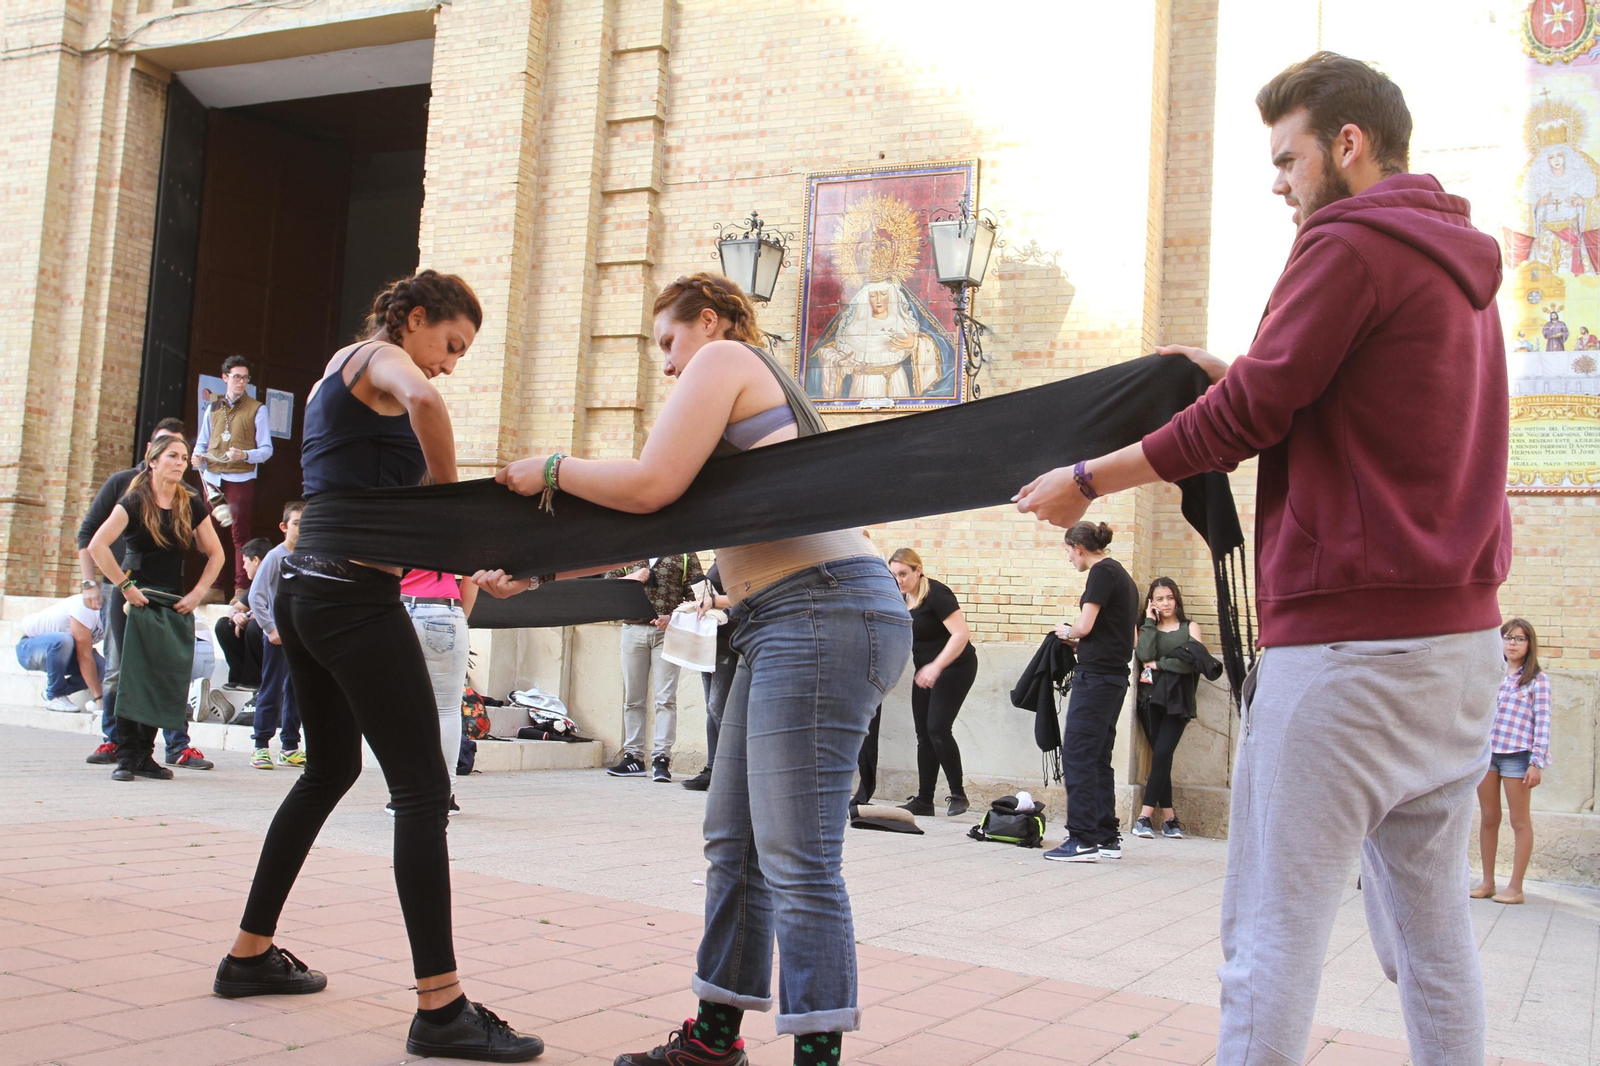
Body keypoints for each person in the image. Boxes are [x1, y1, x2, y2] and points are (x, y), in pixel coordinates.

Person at [1014, 53, 1510, 1064]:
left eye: (1287, 158)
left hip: (1347, 656)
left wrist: (1090, 478)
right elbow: (1359, 398)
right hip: (1458, 649)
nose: (1276, 181)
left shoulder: (1347, 241)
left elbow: (1242, 420)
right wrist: (1243, 367)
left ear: (1347, 144)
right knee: (1431, 939)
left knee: (1269, 937)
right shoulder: (1457, 264)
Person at [481, 272, 910, 1066]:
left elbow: (648, 486)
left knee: (798, 857)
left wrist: (553, 468)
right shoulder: (727, 409)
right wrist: (537, 573)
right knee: (735, 843)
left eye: (669, 343)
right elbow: (654, 526)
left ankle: (817, 1058)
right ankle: (714, 1042)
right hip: (787, 618)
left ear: (708, 322)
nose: (669, 364)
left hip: (821, 610)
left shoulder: (726, 361)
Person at [215, 271, 542, 1062]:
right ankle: (442, 1010)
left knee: (328, 773)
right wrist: (459, 515)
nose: (450, 365)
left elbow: (371, 497)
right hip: (351, 600)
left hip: (307, 589)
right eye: (450, 344)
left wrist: (472, 559)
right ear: (413, 318)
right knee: (424, 793)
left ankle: (249, 954)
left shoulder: (337, 370)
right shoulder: (380, 360)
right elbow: (424, 400)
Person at [87, 434, 226, 781]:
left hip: (170, 598)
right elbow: (97, 545)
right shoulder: (134, 500)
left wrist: (197, 594)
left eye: (184, 458)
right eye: (173, 456)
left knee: (159, 674)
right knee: (131, 674)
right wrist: (125, 587)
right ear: (153, 461)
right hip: (133, 596)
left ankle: (145, 755)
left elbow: (217, 554)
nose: (180, 463)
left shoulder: (190, 503)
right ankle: (125, 756)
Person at [1042, 523, 1137, 863]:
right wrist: (1083, 643)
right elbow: (1131, 639)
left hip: (1095, 679)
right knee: (1097, 757)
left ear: (1079, 548)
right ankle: (1106, 836)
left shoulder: (1100, 573)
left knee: (1079, 755)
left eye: (1068, 551)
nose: (1069, 558)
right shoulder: (1123, 576)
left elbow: (1084, 625)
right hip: (1114, 678)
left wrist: (1067, 631)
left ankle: (1081, 840)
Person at [887, 549, 976, 818]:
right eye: (894, 575)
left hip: (955, 667)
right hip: (925, 671)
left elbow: (961, 634)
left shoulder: (937, 594)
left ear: (918, 570)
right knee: (923, 735)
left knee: (937, 728)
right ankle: (925, 800)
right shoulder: (900, 597)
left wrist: (937, 666)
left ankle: (958, 795)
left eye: (904, 574)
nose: (899, 580)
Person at [605, 553, 704, 783]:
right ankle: (633, 757)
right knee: (633, 698)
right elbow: (608, 586)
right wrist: (632, 578)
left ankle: (661, 759)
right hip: (633, 630)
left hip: (669, 632)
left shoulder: (685, 553)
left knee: (665, 699)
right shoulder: (629, 551)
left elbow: (697, 596)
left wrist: (674, 617)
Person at [1473, 619, 1551, 907]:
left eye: (1519, 638)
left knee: (1519, 821)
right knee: (1488, 818)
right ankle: (1487, 882)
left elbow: (1543, 722)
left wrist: (1536, 762)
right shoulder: (1492, 675)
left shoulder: (1537, 680)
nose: (1512, 643)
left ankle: (1515, 887)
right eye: (1507, 637)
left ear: (1529, 644)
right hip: (1488, 753)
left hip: (1518, 756)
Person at [399, 564, 478, 814]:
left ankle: (403, 794)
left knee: (400, 708)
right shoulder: (457, 534)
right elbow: (472, 575)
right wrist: (457, 617)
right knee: (446, 710)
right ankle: (444, 795)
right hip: (442, 607)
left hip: (396, 607)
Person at [193, 355, 274, 593]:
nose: (241, 382)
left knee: (239, 533)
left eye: (245, 378)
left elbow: (266, 450)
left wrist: (245, 455)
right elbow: (202, 442)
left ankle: (241, 588)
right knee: (211, 533)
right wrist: (197, 456)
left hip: (240, 478)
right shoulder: (213, 406)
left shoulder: (257, 409)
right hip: (213, 478)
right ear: (225, 378)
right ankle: (215, 587)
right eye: (237, 377)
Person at [1132, 578, 1204, 840]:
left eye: (1170, 598)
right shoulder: (1146, 627)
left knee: (1162, 755)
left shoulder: (1189, 627)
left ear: (1177, 600)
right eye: (1160, 599)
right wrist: (1149, 622)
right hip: (1149, 700)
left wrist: (1159, 664)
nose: (1165, 603)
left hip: (1178, 701)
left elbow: (1194, 662)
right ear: (1152, 602)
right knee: (1163, 758)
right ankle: (1170, 819)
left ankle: (1143, 818)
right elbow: (1143, 655)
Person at [247, 503, 306, 770]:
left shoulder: (309, 556)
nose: (301, 528)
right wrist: (270, 628)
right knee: (271, 689)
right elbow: (256, 596)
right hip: (278, 638)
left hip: (302, 638)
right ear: (284, 527)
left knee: (298, 692)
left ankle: (290, 746)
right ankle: (260, 746)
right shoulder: (274, 557)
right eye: (296, 523)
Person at [683, 564, 736, 792]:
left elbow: (748, 595)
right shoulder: (720, 559)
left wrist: (713, 601)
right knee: (711, 709)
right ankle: (714, 769)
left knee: (719, 708)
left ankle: (730, 770)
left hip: (730, 641)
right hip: (710, 640)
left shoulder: (739, 558)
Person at [15, 593, 104, 714]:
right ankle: (55, 696)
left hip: (65, 654)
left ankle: (52, 691)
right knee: (63, 640)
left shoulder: (114, 619)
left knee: (101, 667)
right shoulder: (87, 606)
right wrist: (99, 698)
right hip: (29, 648)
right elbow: (84, 655)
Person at [214, 540, 269, 690]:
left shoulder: (277, 578)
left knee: (254, 626)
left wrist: (250, 617)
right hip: (254, 628)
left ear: (255, 560)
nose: (243, 567)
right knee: (224, 625)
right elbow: (236, 608)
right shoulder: (255, 584)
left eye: (245, 562)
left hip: (273, 634)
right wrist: (237, 616)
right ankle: (238, 678)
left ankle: (254, 681)